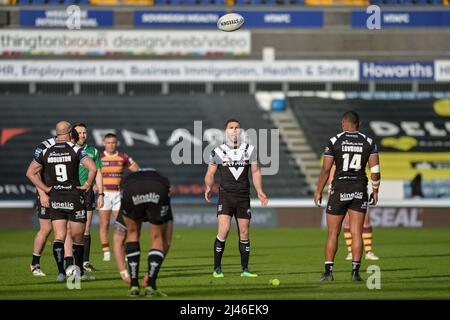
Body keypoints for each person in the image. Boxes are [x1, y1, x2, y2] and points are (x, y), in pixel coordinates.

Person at [26, 121, 97, 281]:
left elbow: (30, 172)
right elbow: (93, 168)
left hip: (55, 196)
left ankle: (62, 273)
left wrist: (46, 189)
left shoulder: (46, 150)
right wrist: (86, 185)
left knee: (59, 235)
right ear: (70, 133)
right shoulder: (75, 149)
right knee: (76, 237)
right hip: (72, 196)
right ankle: (77, 273)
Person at [314, 111, 380, 282]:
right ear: (358, 124)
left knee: (333, 233)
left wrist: (318, 191)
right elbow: (375, 171)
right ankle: (355, 273)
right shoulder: (369, 142)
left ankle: (328, 272)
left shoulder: (335, 141)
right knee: (357, 232)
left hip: (339, 189)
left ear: (343, 123)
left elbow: (326, 170)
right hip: (359, 189)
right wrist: (375, 190)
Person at [204, 118, 268, 278]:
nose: (234, 130)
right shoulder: (217, 151)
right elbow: (210, 173)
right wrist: (208, 186)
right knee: (224, 230)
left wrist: (259, 190)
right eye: (231, 127)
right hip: (226, 196)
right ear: (226, 131)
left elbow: (255, 172)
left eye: (237, 127)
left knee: (244, 232)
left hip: (243, 196)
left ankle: (245, 270)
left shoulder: (249, 150)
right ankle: (217, 269)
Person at [119, 168, 173, 297]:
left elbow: (118, 238)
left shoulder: (127, 179)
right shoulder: (162, 178)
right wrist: (149, 274)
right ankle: (151, 285)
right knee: (157, 237)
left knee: (132, 233)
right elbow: (167, 240)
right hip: (158, 188)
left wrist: (122, 271)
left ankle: (133, 286)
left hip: (131, 188)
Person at [63, 123, 104, 275]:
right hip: (70, 192)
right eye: (79, 133)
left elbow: (98, 172)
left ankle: (84, 262)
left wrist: (101, 194)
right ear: (74, 134)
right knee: (68, 229)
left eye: (85, 132)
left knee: (85, 229)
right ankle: (69, 263)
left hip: (87, 193)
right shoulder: (68, 150)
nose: (82, 135)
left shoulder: (92, 151)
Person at [99, 133, 139, 262]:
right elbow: (91, 173)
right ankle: (106, 252)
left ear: (117, 143)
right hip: (103, 194)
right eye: (109, 142)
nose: (111, 145)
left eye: (113, 142)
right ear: (104, 143)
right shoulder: (99, 157)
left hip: (117, 194)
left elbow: (137, 170)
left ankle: (124, 251)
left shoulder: (123, 157)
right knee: (104, 224)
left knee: (122, 225)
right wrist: (94, 186)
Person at [112, 204, 173, 286]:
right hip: (157, 196)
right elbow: (167, 241)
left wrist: (123, 273)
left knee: (129, 236)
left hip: (133, 195)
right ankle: (151, 278)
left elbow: (118, 240)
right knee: (160, 238)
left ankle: (133, 284)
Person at [328, 165, 379, 261]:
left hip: (358, 187)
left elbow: (371, 167)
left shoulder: (361, 151)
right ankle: (351, 252)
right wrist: (330, 187)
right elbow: (333, 168)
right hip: (343, 188)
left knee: (366, 220)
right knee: (347, 222)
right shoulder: (341, 152)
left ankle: (368, 251)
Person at [29, 137, 55, 277]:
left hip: (65, 194)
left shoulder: (72, 146)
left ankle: (70, 266)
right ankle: (35, 264)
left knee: (67, 228)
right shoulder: (45, 146)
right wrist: (42, 193)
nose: (81, 136)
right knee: (46, 228)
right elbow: (35, 172)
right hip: (47, 193)